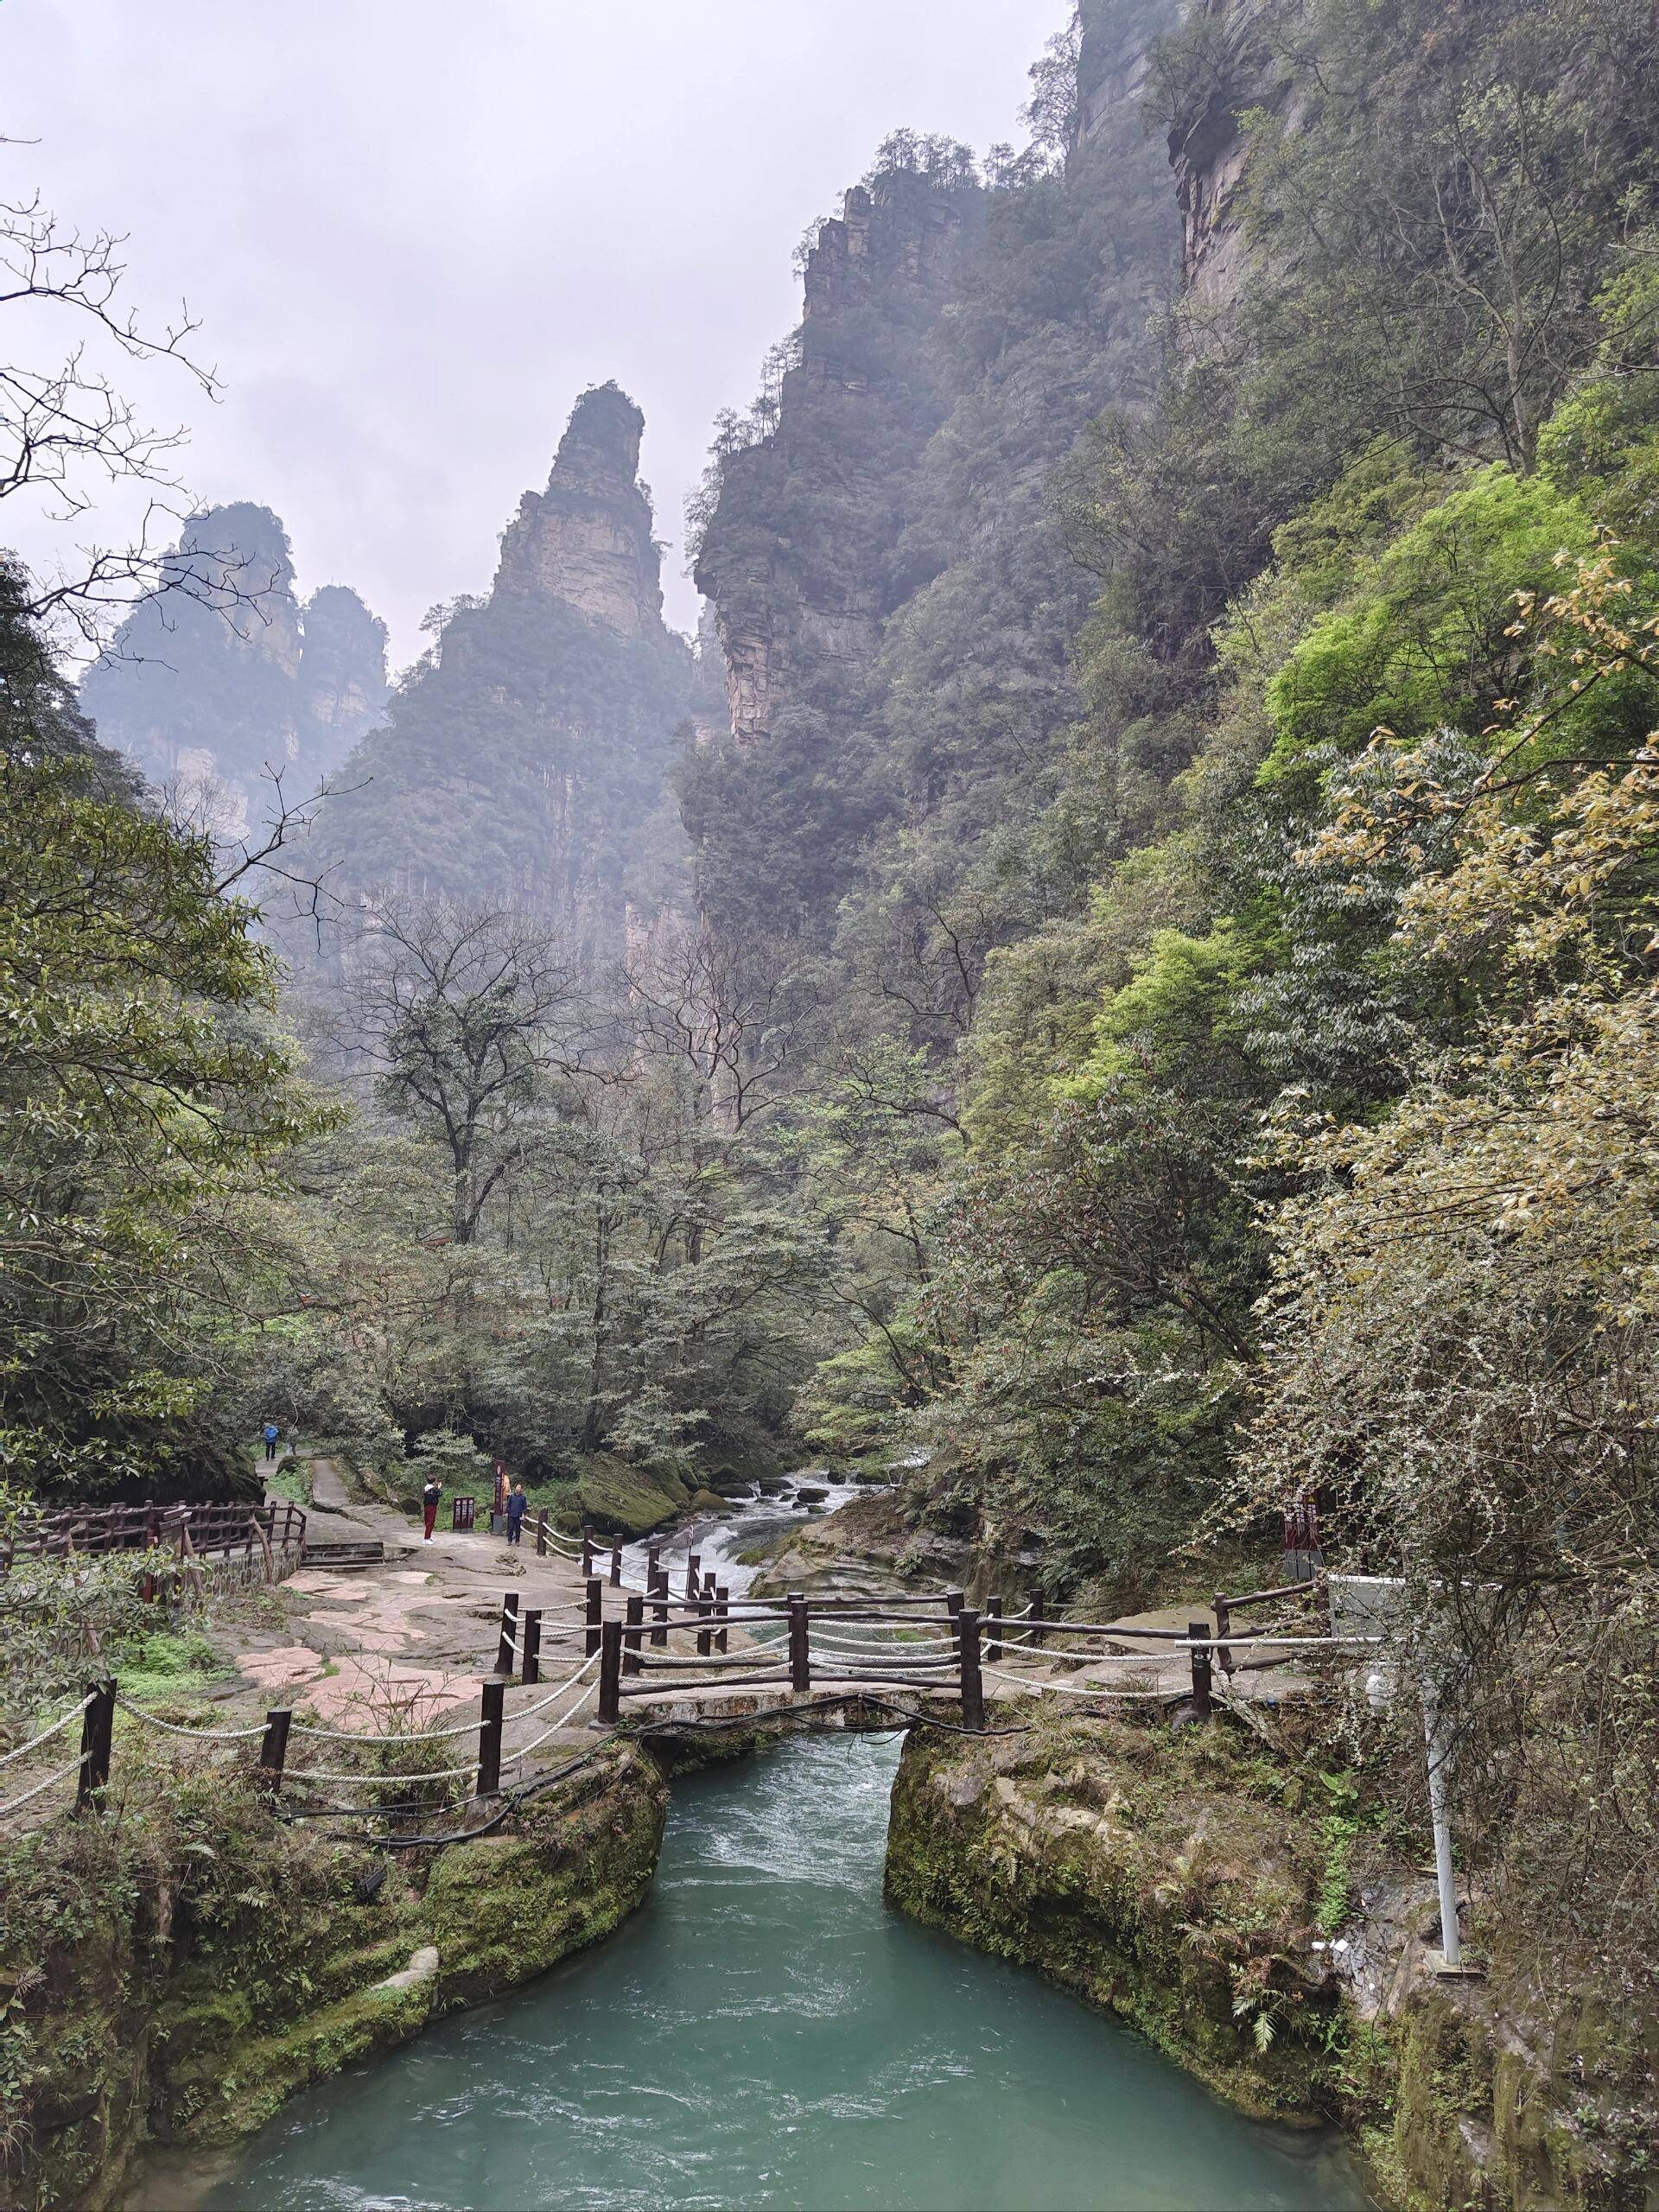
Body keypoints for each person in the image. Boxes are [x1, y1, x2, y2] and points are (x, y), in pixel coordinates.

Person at [505, 1479, 529, 1547]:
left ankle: (517, 1541)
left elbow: (525, 1507)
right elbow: (508, 1505)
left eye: (519, 1488)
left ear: (521, 1490)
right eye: (517, 1487)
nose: (517, 1489)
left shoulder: (523, 1498)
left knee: (518, 1529)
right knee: (510, 1528)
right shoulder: (512, 1496)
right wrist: (507, 1512)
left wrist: (524, 1514)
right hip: (511, 1515)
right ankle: (509, 1541)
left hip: (518, 1515)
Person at [422, 1474, 442, 1542]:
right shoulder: (434, 1489)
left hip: (426, 1506)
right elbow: (440, 1494)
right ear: (434, 1481)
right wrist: (439, 1488)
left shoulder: (425, 1488)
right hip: (432, 1506)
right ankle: (426, 1538)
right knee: (430, 1522)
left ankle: (429, 1536)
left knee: (427, 1520)